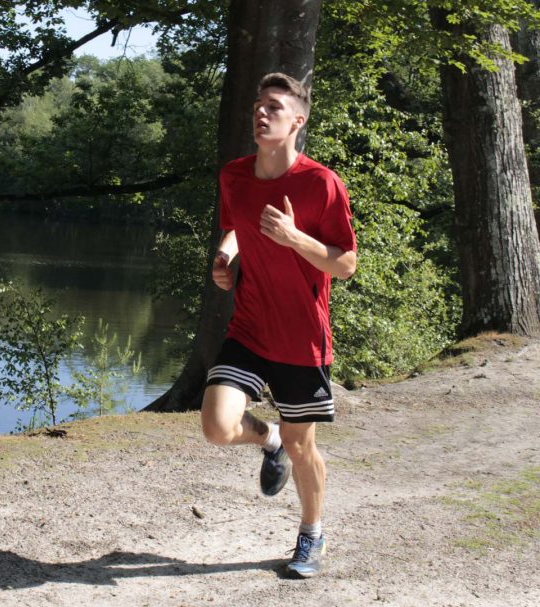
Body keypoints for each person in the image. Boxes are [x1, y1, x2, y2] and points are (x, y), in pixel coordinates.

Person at [201, 73, 357, 578]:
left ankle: (312, 533)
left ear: (297, 121)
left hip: (301, 339)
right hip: (249, 328)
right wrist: (226, 256)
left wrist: (294, 238)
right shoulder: (234, 175)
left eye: (274, 107)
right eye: (257, 106)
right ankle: (266, 440)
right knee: (217, 427)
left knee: (301, 445)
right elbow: (236, 225)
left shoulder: (321, 183)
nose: (261, 113)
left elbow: (345, 264)